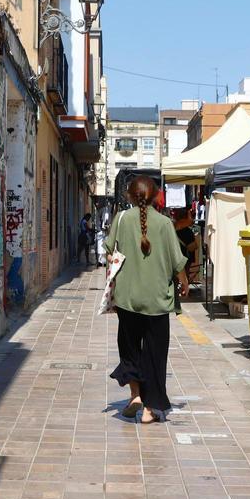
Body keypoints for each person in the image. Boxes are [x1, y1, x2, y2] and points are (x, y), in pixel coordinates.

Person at [106, 175, 190, 424]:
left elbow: (110, 252)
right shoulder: (165, 224)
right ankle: (150, 409)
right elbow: (177, 262)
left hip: (128, 299)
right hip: (157, 300)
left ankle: (135, 396)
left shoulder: (121, 220)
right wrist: (184, 282)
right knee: (155, 354)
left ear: (129, 197)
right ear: (155, 197)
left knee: (130, 349)